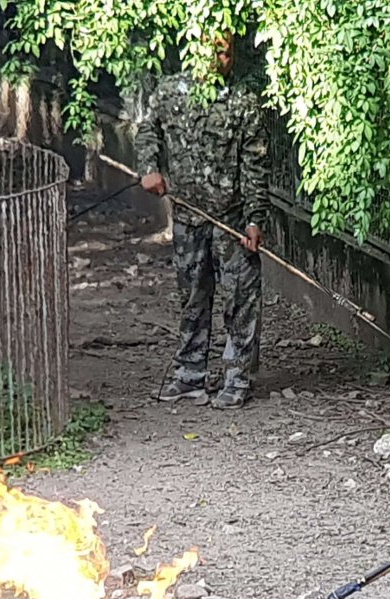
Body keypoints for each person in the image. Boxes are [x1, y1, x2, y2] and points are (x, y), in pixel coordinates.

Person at [134, 33, 269, 410]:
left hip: (232, 219)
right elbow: (147, 130)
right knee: (192, 297)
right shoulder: (169, 91)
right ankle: (190, 375)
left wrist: (254, 219)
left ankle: (238, 377)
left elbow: (255, 165)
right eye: (215, 51)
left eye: (228, 53)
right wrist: (149, 168)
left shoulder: (243, 102)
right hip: (188, 216)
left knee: (240, 298)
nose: (222, 60)